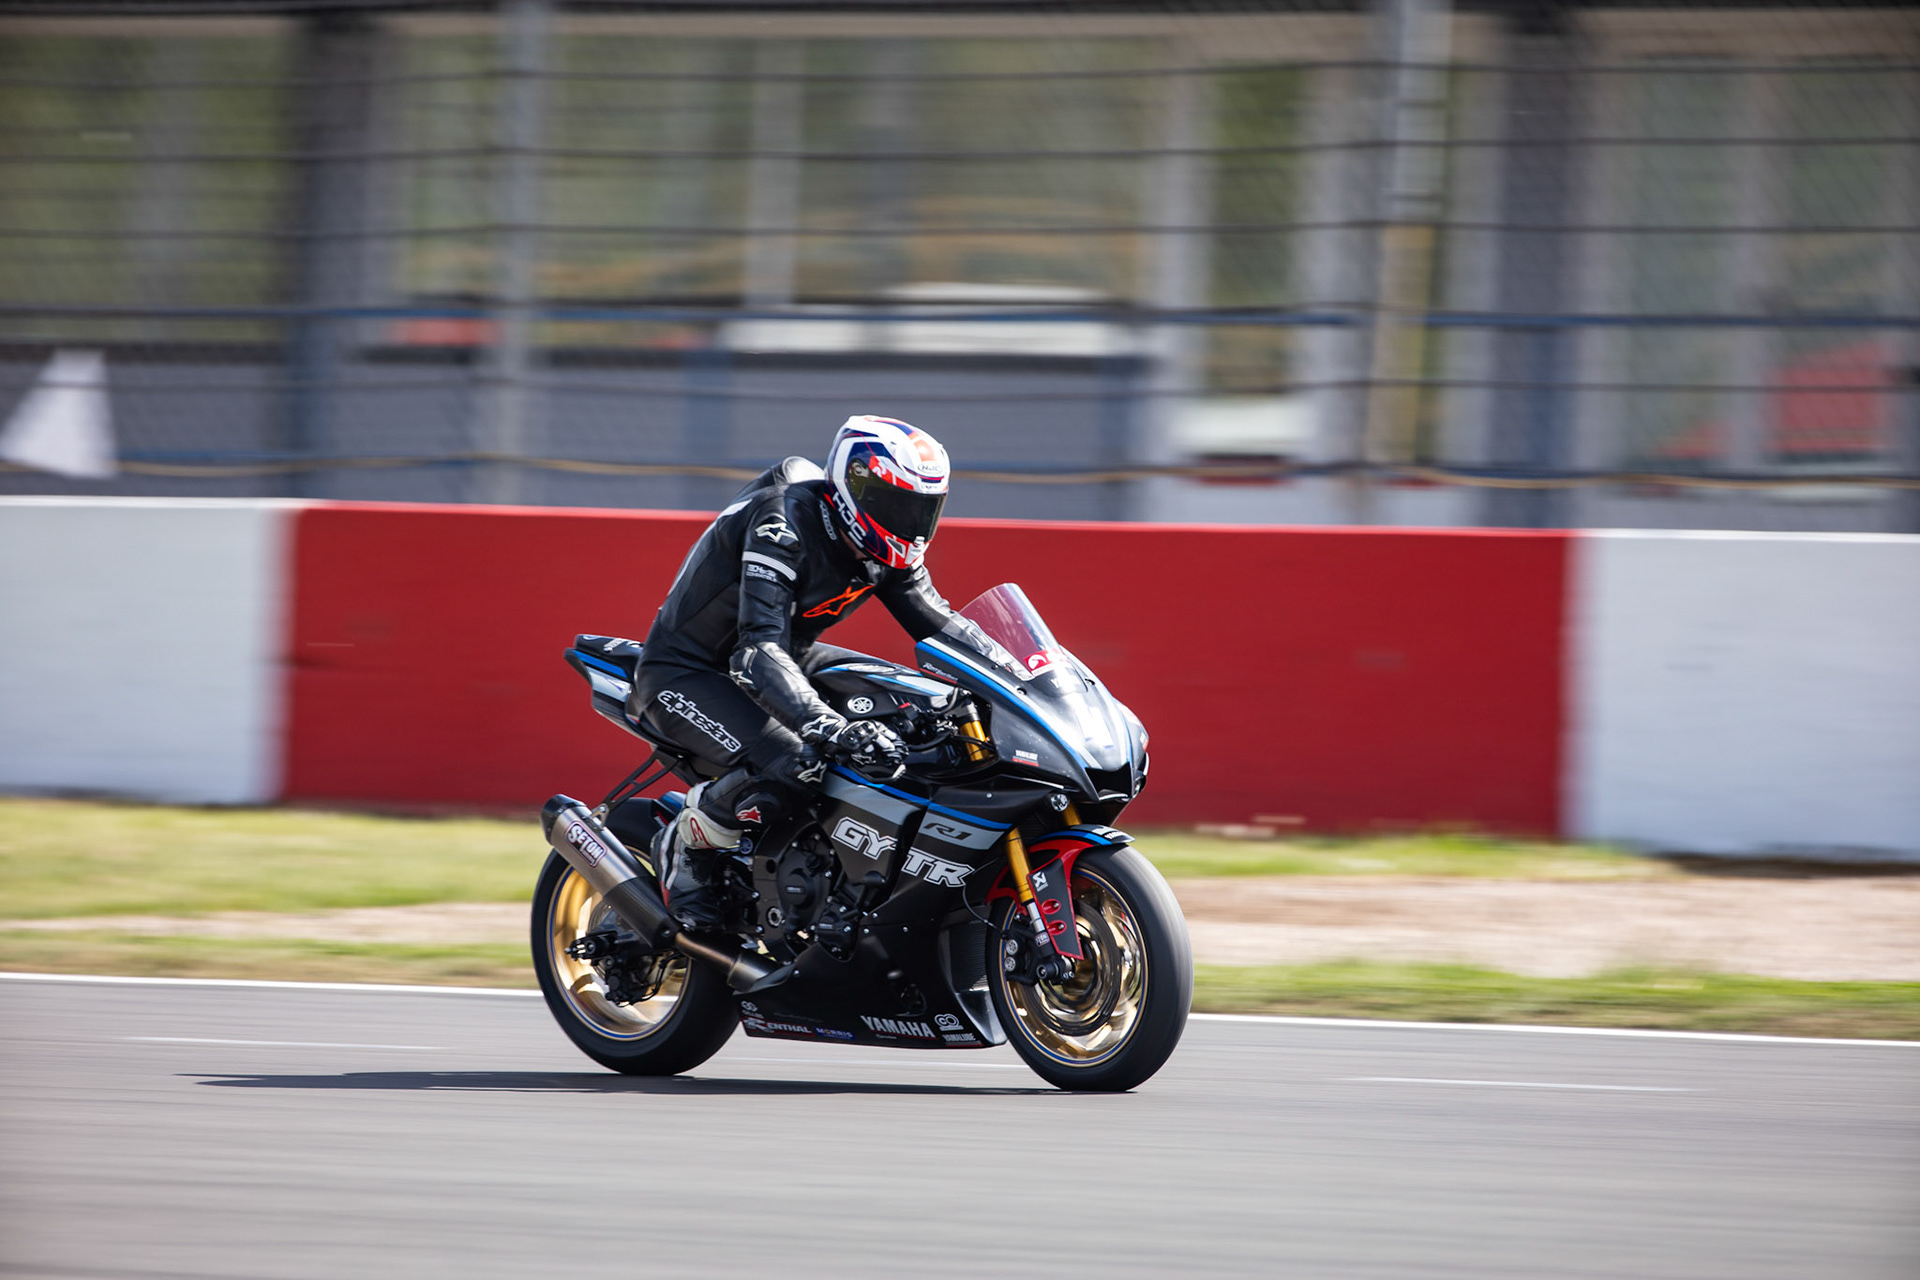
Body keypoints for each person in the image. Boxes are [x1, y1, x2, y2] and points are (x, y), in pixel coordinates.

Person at [631, 415, 958, 929]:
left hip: (785, 657)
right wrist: (830, 726)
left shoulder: (887, 553)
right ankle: (688, 844)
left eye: (923, 509)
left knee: (916, 704)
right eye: (898, 504)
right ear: (855, 487)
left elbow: (945, 629)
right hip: (689, 669)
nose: (911, 522)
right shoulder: (782, 521)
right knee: (799, 760)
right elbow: (757, 648)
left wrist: (1034, 678)